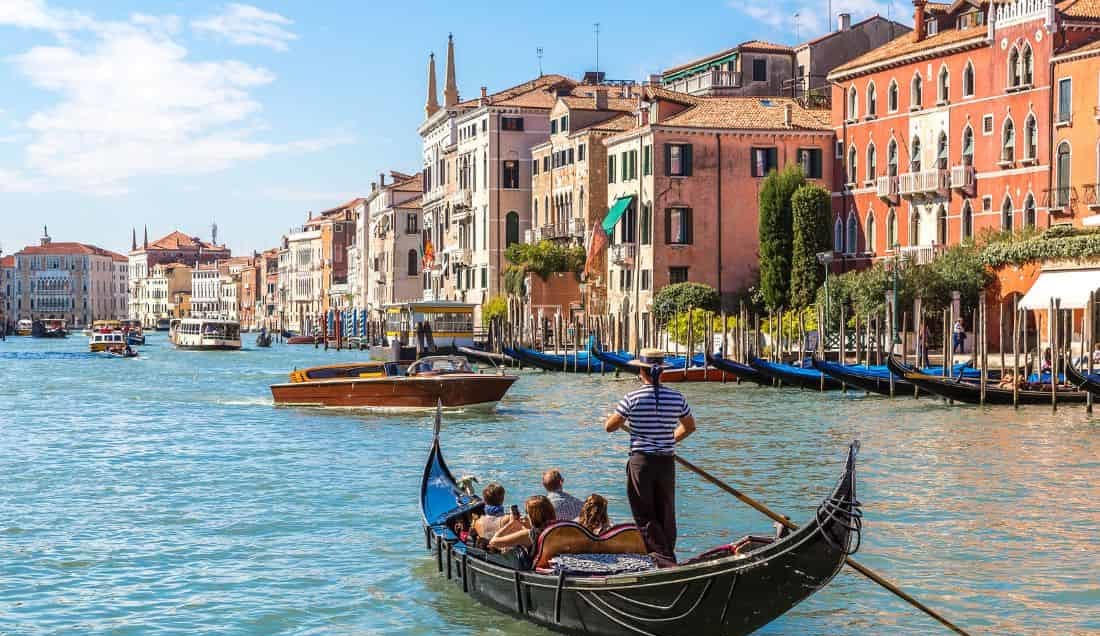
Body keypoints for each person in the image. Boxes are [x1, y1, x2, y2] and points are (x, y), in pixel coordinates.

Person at [604, 348, 696, 567]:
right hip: (666, 461)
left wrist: (618, 419)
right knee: (666, 511)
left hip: (641, 462)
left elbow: (610, 427)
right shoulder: (676, 397)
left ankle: (662, 560)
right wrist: (668, 440)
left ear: (641, 372)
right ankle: (667, 555)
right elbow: (689, 427)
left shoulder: (632, 397)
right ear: (661, 372)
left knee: (644, 513)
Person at [488, 495, 556, 551]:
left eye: (527, 512)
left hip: (531, 566)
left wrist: (511, 523)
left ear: (533, 515)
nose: (526, 515)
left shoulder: (528, 534)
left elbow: (493, 542)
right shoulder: (557, 529)